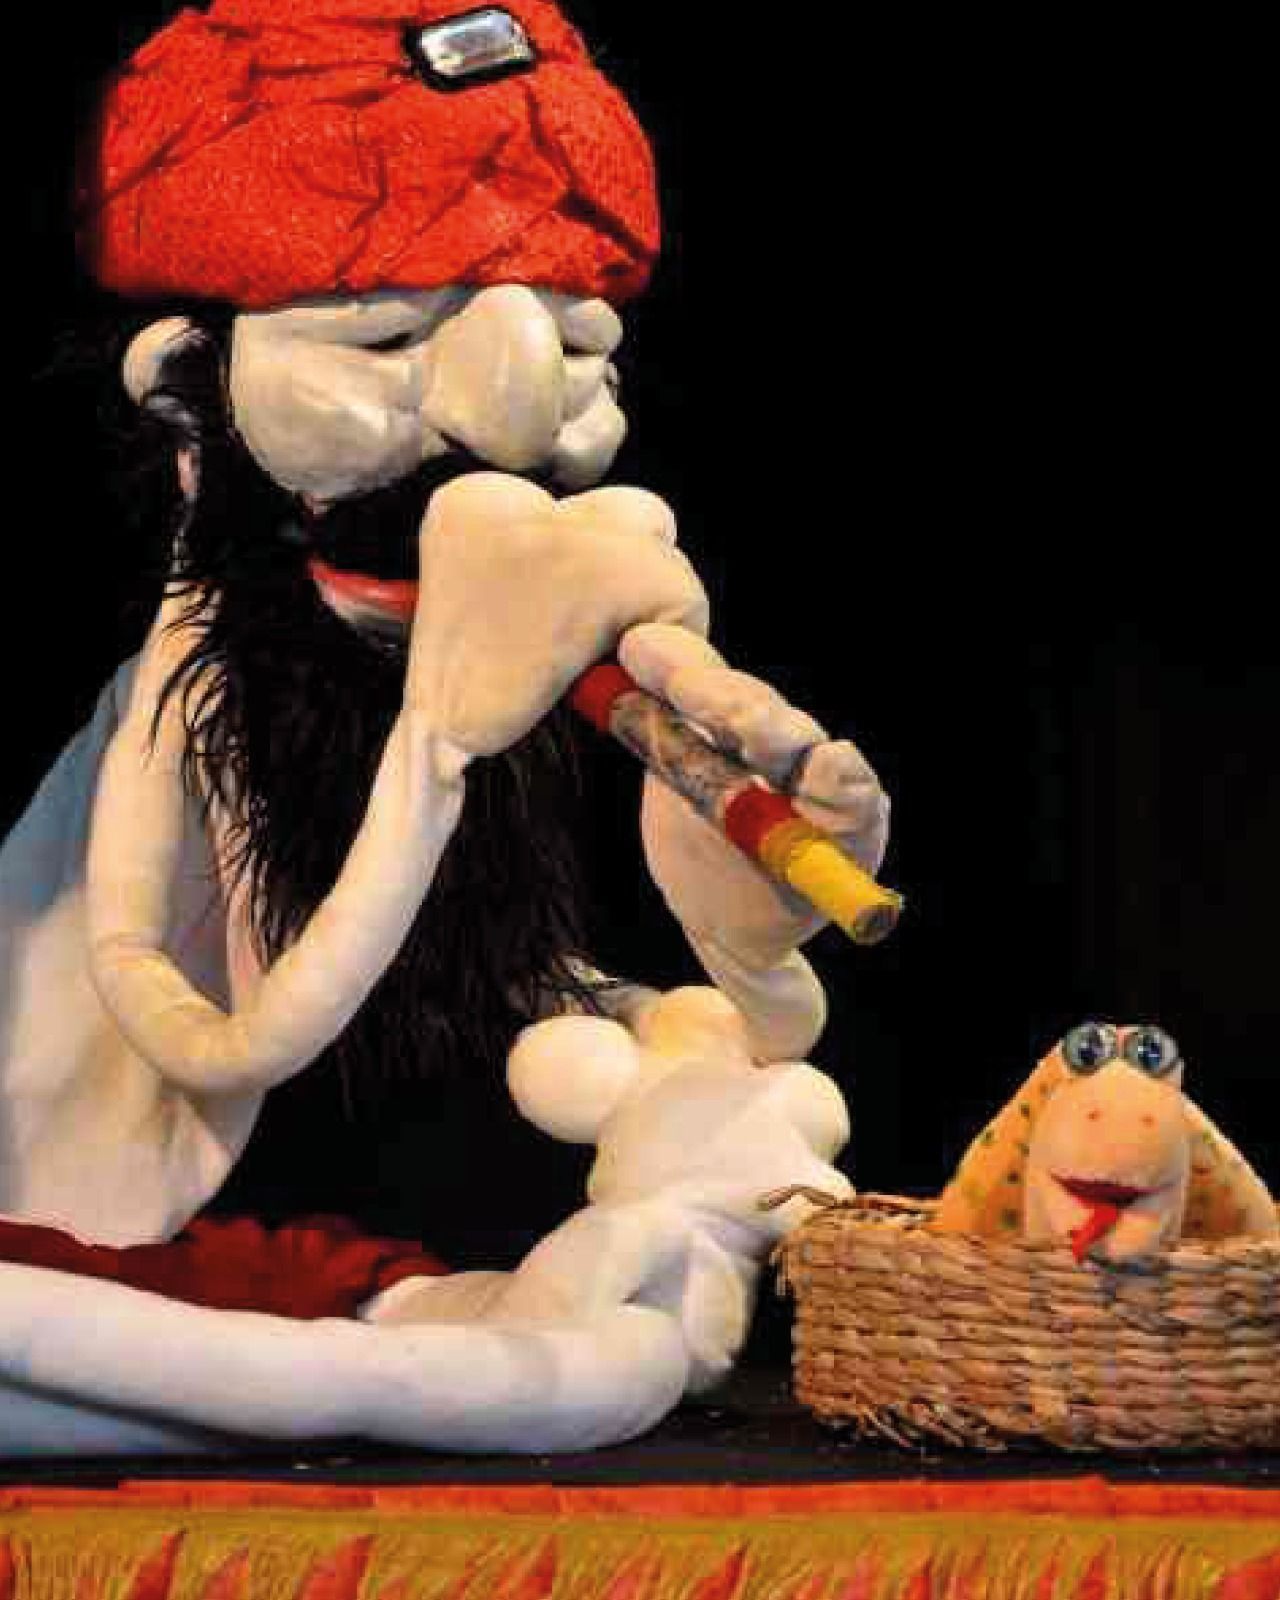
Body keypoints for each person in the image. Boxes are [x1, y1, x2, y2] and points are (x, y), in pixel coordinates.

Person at [0, 0, 889, 1453]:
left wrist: (744, 949)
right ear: (181, 391)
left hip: (285, 1267)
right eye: (383, 338)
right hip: (63, 1240)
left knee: (619, 1307)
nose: (504, 440)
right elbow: (226, 1038)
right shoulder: (170, 695)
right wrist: (439, 741)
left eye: (578, 351)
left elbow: (507, 986)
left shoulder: (448, 675)